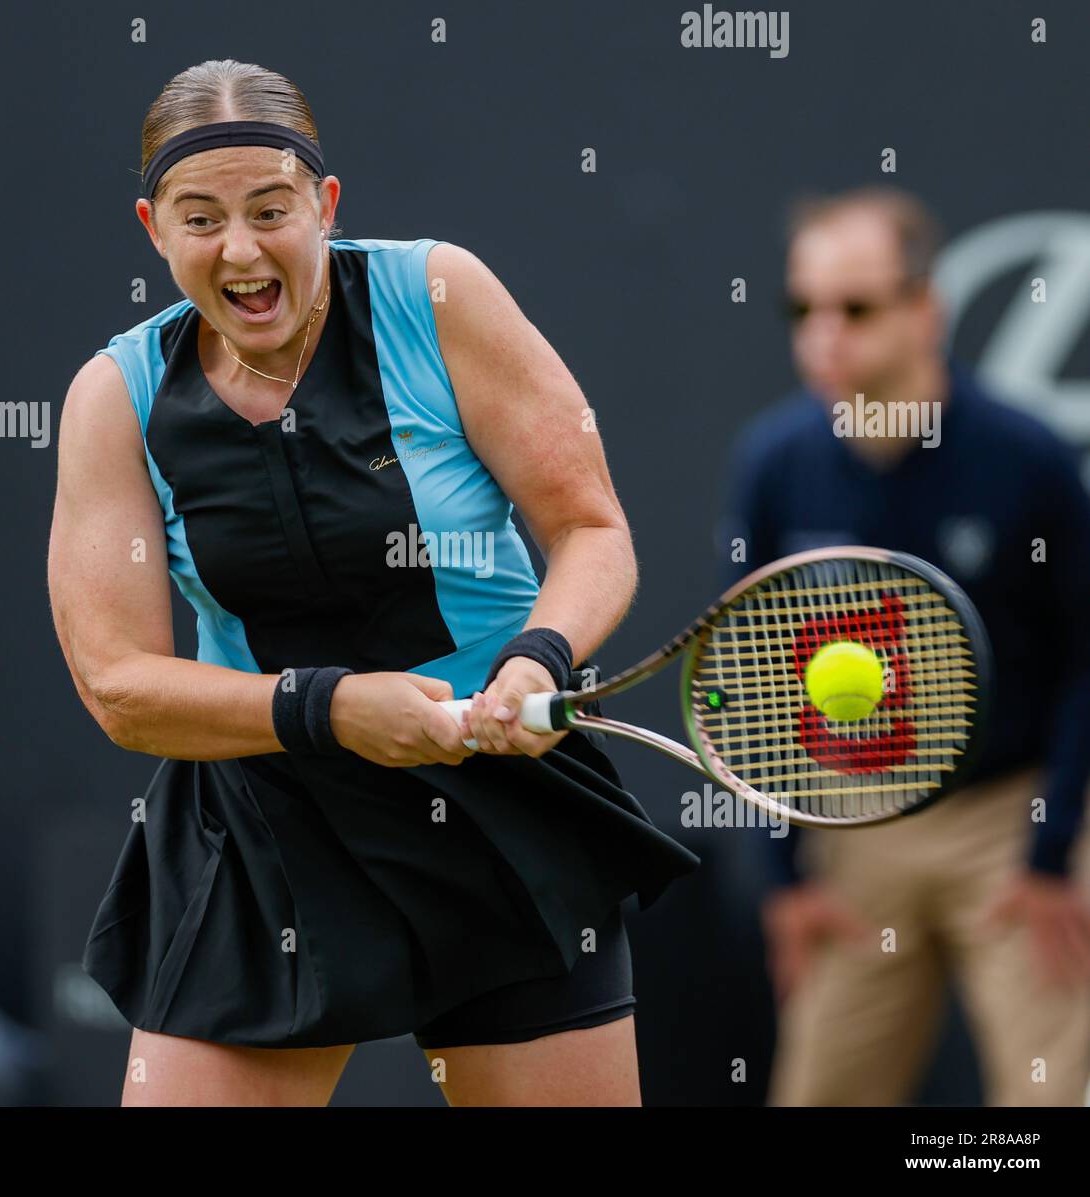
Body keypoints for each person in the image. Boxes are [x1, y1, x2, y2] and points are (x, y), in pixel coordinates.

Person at [47, 58, 698, 1107]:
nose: (243, 249)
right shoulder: (114, 398)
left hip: (498, 804)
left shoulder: (438, 296)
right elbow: (118, 686)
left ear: (326, 204)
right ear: (153, 229)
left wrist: (539, 658)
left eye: (271, 210)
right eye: (201, 219)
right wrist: (331, 710)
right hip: (264, 824)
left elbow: (589, 527)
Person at [721, 185, 1090, 1106]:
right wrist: (785, 879)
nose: (824, 332)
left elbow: (1087, 661)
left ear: (928, 308)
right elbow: (753, 675)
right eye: (802, 308)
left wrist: (1052, 858)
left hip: (1012, 828)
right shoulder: (773, 462)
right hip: (855, 833)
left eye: (857, 306)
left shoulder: (1028, 459)